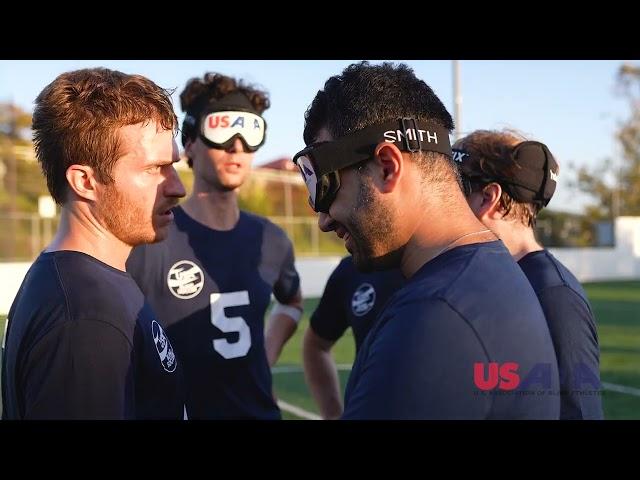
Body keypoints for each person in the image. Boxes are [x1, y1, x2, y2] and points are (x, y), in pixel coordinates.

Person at [292, 61, 560, 419]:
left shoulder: (433, 318)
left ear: (387, 167)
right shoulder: (492, 270)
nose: (323, 218)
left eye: (324, 186)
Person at [1, 68, 187, 419]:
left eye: (173, 166)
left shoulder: (91, 284)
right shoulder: (84, 320)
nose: (177, 188)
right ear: (85, 181)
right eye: (155, 169)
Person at [127, 72, 303, 420]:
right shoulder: (151, 237)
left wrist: (264, 356)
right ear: (190, 143)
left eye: (249, 133)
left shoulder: (272, 240)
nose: (236, 146)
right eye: (222, 131)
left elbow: (292, 301)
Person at [452, 129, 603, 419]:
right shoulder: (488, 278)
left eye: (455, 190)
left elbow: (579, 412)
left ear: (488, 198)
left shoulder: (555, 297)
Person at [303, 255, 404, 419]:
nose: (324, 227)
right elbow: (316, 344)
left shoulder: (448, 268)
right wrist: (333, 414)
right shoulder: (351, 270)